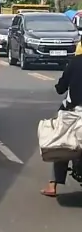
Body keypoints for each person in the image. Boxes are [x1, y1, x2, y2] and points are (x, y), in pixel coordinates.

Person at [42, 52, 82, 197]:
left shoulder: (75, 62)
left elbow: (61, 88)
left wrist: (60, 86)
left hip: (72, 112)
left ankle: (53, 185)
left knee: (61, 142)